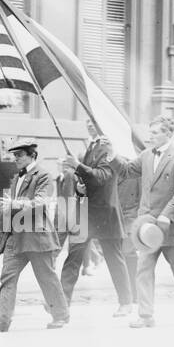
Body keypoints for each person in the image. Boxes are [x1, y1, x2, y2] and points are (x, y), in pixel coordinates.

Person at [120, 116, 174, 328]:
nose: (150, 136)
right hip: (148, 226)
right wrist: (112, 157)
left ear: (168, 134)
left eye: (155, 132)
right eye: (150, 132)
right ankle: (145, 315)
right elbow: (127, 171)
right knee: (144, 269)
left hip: (172, 225)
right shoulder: (146, 155)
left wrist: (166, 215)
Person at [0, 138, 70, 333]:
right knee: (8, 277)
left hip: (36, 236)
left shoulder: (44, 175)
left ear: (32, 155)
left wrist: (15, 204)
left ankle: (60, 315)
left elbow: (40, 202)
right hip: (16, 236)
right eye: (14, 155)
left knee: (46, 277)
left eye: (20, 155)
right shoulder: (17, 177)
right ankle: (2, 320)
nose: (16, 158)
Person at [58, 119, 134, 316]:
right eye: (88, 121)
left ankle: (126, 303)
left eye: (94, 121)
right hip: (87, 212)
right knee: (74, 257)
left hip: (105, 213)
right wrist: (79, 185)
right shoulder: (91, 146)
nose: (89, 124)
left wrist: (77, 165)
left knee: (114, 259)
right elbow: (89, 180)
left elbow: (101, 176)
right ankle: (61, 302)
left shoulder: (107, 147)